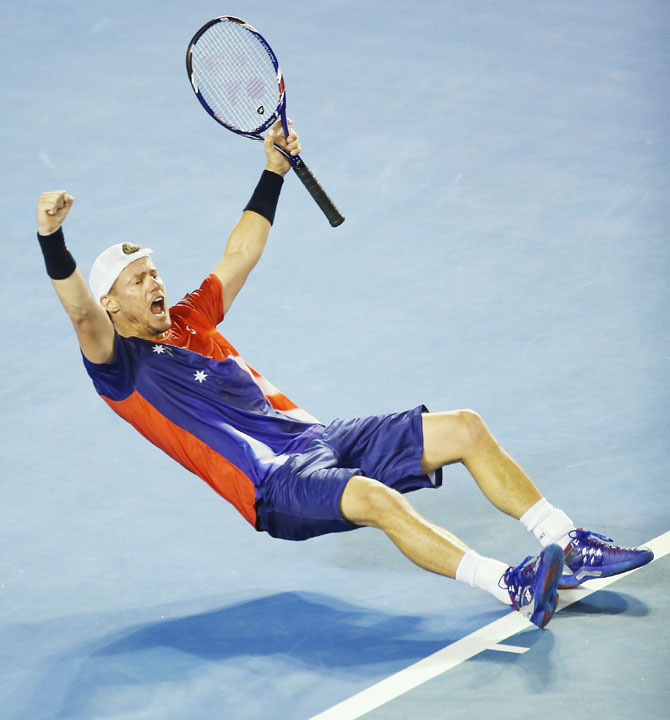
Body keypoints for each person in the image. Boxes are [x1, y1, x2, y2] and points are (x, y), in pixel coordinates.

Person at [36, 121, 653, 630]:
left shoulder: (192, 317)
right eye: (137, 280)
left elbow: (241, 251)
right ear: (112, 305)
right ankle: (508, 585)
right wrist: (52, 240)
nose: (155, 282)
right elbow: (78, 311)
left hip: (318, 438)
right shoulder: (120, 369)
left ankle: (567, 540)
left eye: (154, 271)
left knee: (465, 428)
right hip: (270, 486)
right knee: (374, 499)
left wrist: (274, 170)